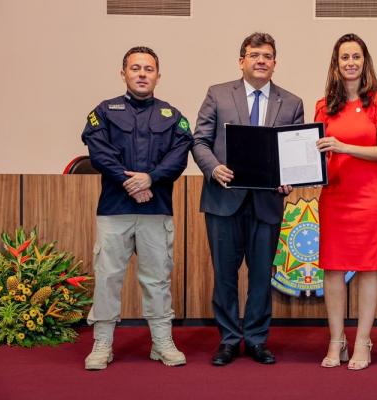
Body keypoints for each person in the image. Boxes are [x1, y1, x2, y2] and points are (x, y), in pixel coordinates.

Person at [192, 32, 304, 366]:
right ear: (242, 60)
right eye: (254, 55)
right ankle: (228, 339)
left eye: (267, 56)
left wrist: (290, 180)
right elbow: (199, 141)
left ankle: (256, 339)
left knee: (260, 278)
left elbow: (295, 153)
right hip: (223, 200)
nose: (260, 61)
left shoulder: (292, 102)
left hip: (267, 203)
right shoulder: (217, 94)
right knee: (224, 276)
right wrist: (214, 168)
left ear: (274, 62)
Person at [81, 46, 193, 370]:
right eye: (135, 68)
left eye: (148, 68)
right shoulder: (104, 111)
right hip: (114, 209)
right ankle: (102, 344)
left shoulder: (172, 116)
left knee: (157, 279)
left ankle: (162, 342)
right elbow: (99, 152)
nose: (142, 73)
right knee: (107, 278)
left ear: (158, 75)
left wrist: (151, 179)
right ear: (123, 73)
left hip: (155, 210)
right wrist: (131, 182)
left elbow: (179, 154)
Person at [315, 33, 377, 371]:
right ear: (336, 64)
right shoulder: (323, 105)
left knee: (367, 269)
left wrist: (344, 146)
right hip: (334, 197)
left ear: (365, 62)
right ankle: (337, 340)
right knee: (332, 270)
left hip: (369, 198)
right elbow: (314, 154)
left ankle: (363, 340)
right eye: (343, 57)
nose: (350, 62)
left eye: (356, 57)